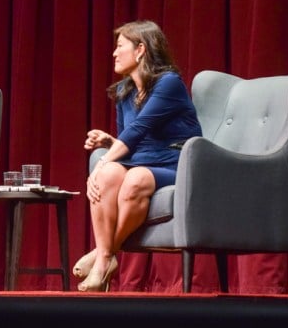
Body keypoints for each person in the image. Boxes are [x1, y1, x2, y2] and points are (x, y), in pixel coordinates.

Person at [75, 20, 202, 292]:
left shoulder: (169, 84)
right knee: (108, 174)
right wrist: (110, 145)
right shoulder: (124, 92)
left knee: (133, 178)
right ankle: (105, 257)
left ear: (140, 49)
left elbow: (139, 128)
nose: (114, 53)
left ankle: (103, 256)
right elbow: (131, 139)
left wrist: (103, 160)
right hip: (143, 161)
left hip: (176, 163)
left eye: (120, 46)